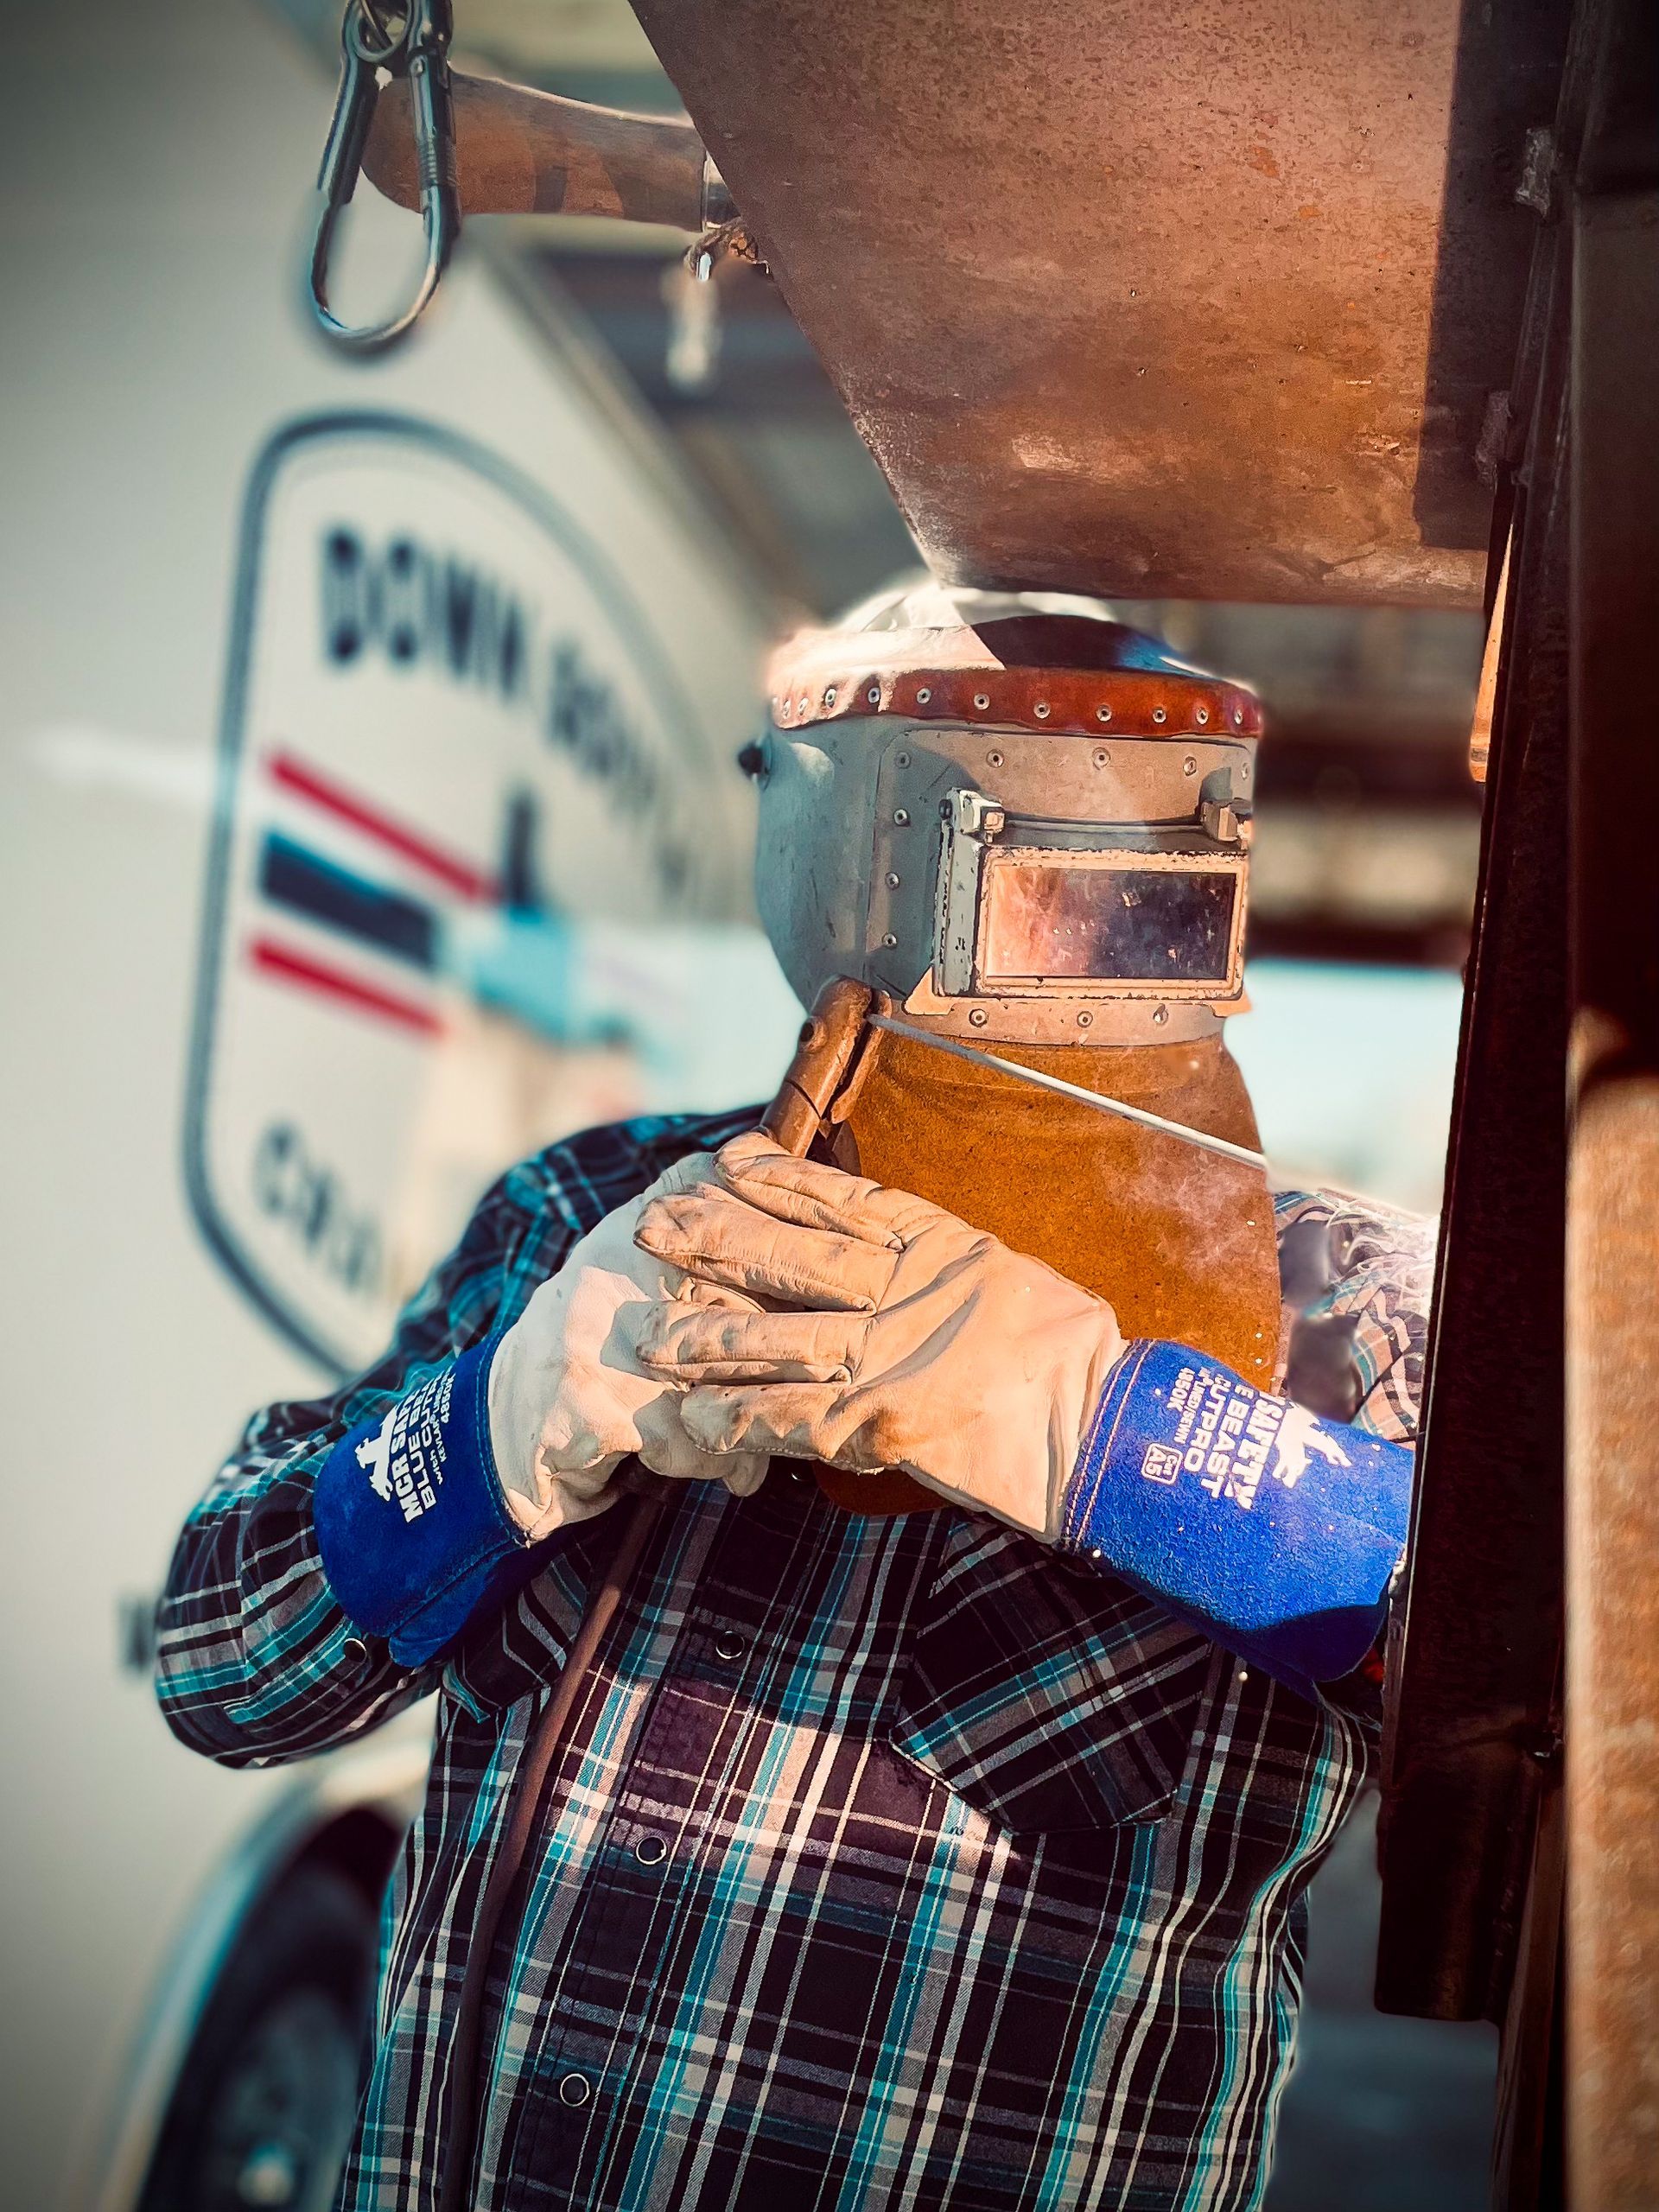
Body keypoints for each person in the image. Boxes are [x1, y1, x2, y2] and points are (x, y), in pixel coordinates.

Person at [156, 597, 1430, 2212]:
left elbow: (1581, 1749)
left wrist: (1125, 1438)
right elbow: (224, 1669)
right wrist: (484, 1439)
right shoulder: (591, 1217)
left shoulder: (1348, 1314)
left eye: (1138, 898)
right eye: (1040, 888)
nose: (1085, 939)